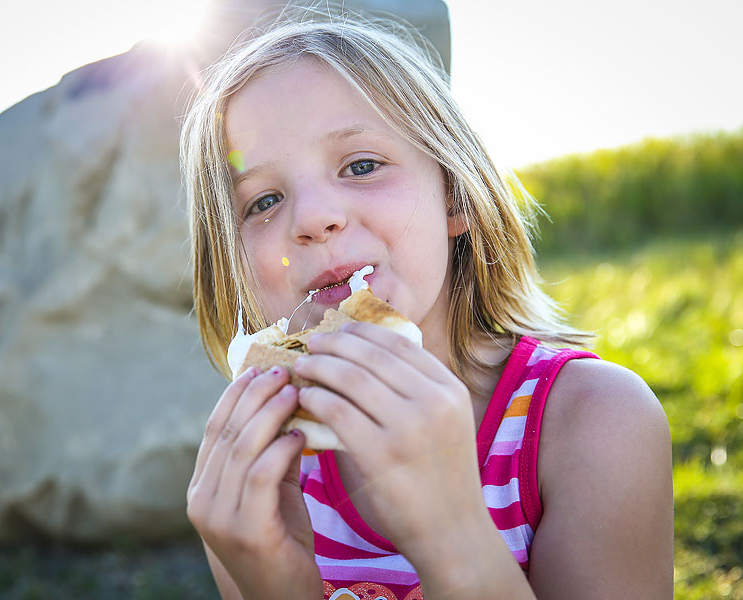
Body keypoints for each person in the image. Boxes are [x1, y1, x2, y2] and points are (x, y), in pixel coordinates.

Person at [180, 10, 673, 599]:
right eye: (262, 201)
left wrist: (452, 535)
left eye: (362, 166)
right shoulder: (258, 475)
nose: (312, 218)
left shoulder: (596, 424)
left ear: (454, 196)